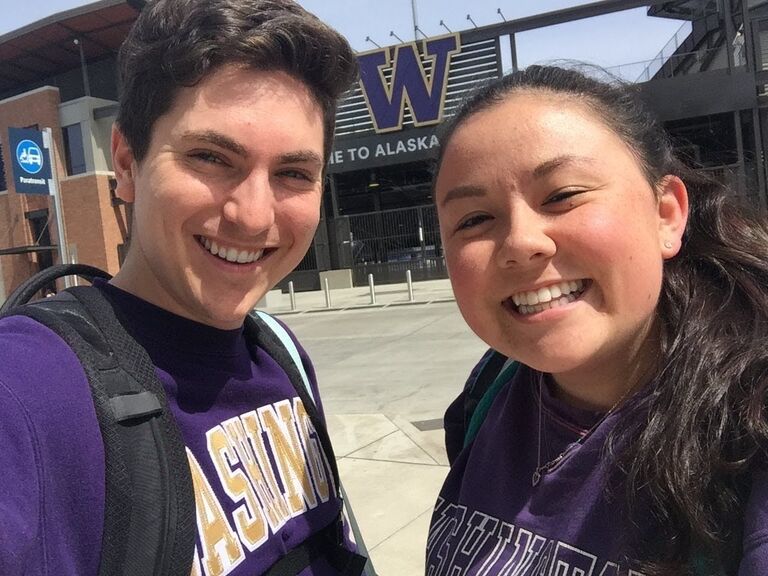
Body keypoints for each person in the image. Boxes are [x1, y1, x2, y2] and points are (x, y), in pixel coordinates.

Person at [0, 0, 359, 574]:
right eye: (211, 157)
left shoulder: (281, 352)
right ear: (125, 163)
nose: (252, 215)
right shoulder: (29, 390)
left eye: (294, 173)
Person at [426, 65, 768, 575]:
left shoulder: (750, 432)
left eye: (562, 195)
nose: (521, 242)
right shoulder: (492, 388)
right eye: (474, 219)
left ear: (667, 214)